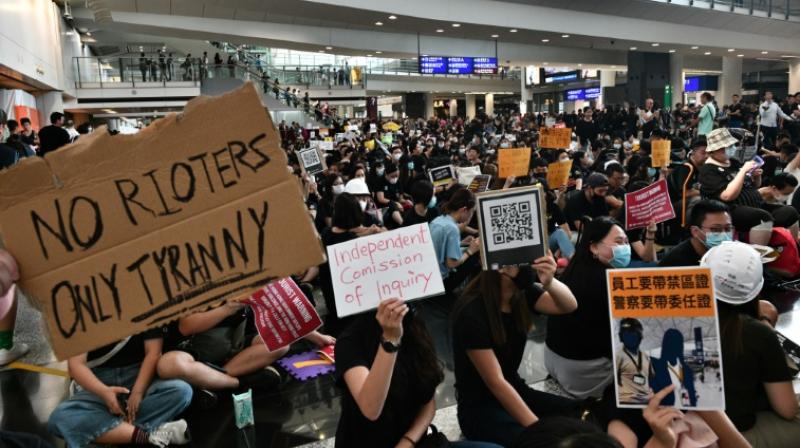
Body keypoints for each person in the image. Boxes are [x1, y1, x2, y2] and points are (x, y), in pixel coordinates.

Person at [335, 298, 498, 448]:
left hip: (415, 441)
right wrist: (390, 341)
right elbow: (371, 408)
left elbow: (428, 402)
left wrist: (408, 441)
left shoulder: (414, 325)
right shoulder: (350, 341)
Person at [453, 257, 580, 447]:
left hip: (516, 389)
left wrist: (550, 281)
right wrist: (539, 430)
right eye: (526, 260)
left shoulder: (521, 294)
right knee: (539, 443)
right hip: (479, 409)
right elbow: (496, 382)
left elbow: (569, 305)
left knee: (579, 411)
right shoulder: (471, 313)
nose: (532, 265)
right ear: (502, 268)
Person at [701, 242, 800, 446]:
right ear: (757, 287)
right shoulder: (758, 333)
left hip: (674, 431)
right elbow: (787, 409)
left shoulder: (670, 322)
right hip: (735, 433)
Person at [156, 300, 334, 405]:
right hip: (192, 352)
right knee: (169, 364)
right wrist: (229, 307)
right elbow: (186, 326)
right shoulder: (194, 286)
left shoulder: (246, 277)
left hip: (232, 350)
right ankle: (236, 383)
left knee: (280, 344)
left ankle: (211, 382)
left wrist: (316, 337)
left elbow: (278, 307)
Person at [47, 329, 192, 447]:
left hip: (140, 376)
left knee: (181, 391)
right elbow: (76, 365)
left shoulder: (141, 301)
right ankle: (146, 436)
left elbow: (153, 353)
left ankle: (109, 431)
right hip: (99, 380)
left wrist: (138, 391)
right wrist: (103, 391)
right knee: (59, 417)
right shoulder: (84, 313)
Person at [545, 217, 629, 399]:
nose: (625, 248)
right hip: (581, 371)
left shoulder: (574, 269)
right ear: (593, 247)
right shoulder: (607, 282)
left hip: (552, 358)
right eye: (618, 242)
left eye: (626, 242)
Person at [699, 128, 799, 233]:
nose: (732, 148)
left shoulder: (733, 162)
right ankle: (759, 247)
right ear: (714, 150)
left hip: (755, 203)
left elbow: (754, 186)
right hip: (731, 210)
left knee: (789, 211)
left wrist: (755, 176)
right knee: (763, 217)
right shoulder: (708, 170)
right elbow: (727, 196)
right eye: (728, 147)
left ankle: (793, 243)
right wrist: (743, 171)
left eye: (732, 145)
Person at [429, 188, 481, 296]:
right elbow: (451, 263)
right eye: (471, 213)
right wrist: (470, 251)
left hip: (431, 277)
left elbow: (441, 247)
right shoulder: (452, 228)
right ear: (464, 210)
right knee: (474, 256)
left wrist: (462, 243)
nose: (470, 216)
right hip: (442, 283)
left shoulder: (438, 220)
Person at [659, 199, 732, 267]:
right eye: (715, 229)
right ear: (695, 231)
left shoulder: (732, 254)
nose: (724, 234)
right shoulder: (675, 264)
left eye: (728, 228)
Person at [649, 328, 697, 408]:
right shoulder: (656, 367)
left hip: (685, 412)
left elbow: (692, 395)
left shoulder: (687, 370)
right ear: (666, 345)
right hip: (663, 412)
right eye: (671, 343)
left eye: (677, 343)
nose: (674, 347)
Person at [615, 318, 653, 406]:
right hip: (625, 401)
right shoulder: (618, 356)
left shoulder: (645, 356)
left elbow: (651, 378)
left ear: (640, 336)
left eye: (633, 334)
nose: (630, 337)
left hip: (647, 401)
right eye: (627, 334)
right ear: (621, 337)